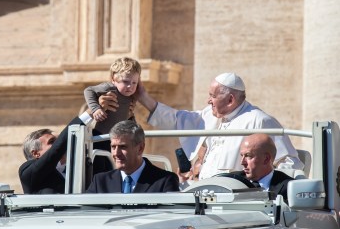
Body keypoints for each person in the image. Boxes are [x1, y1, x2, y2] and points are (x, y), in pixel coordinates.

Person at [104, 72, 303, 180]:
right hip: (201, 192)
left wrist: (259, 190)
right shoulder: (210, 115)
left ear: (231, 100)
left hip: (238, 200)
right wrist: (143, 98)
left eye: (212, 96)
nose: (208, 101)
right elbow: (177, 120)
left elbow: (289, 164)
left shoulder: (259, 121)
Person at [86, 120, 179, 193]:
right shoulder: (100, 182)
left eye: (123, 147)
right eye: (113, 147)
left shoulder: (165, 181)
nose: (116, 153)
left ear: (140, 148)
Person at [19, 110, 93, 194]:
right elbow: (57, 149)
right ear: (36, 153)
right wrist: (90, 112)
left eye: (57, 141)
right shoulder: (27, 172)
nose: (58, 144)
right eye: (52, 142)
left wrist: (100, 110)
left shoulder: (74, 167)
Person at [84, 57, 140, 133]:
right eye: (125, 81)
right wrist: (95, 109)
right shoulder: (110, 88)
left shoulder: (132, 96)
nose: (130, 86)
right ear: (113, 80)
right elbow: (89, 90)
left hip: (118, 137)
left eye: (134, 83)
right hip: (100, 135)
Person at [235, 134, 293, 200]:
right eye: (241, 155)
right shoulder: (232, 180)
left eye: (248, 156)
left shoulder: (290, 188)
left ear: (266, 159)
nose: (242, 162)